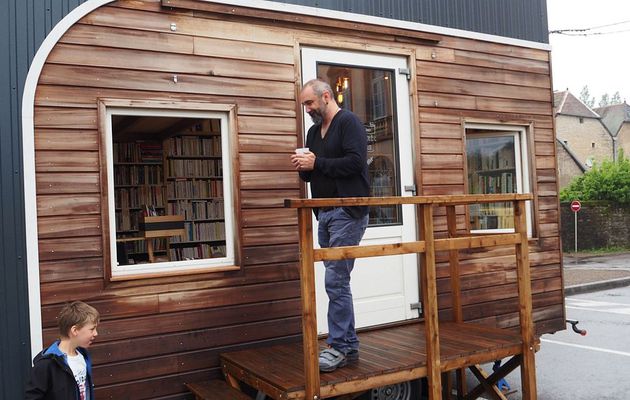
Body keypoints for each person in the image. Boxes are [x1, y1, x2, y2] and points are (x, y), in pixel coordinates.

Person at [290, 78, 370, 372]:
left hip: (348, 211)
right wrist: (304, 167)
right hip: (323, 213)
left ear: (326, 96)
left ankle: (338, 347)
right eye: (304, 105)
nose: (307, 109)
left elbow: (356, 163)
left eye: (310, 103)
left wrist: (317, 162)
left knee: (335, 281)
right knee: (338, 282)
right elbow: (312, 176)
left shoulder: (349, 123)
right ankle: (348, 346)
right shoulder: (313, 132)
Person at [25, 301, 100, 400]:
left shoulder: (83, 356)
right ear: (75, 330)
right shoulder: (46, 364)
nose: (96, 333)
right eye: (92, 329)